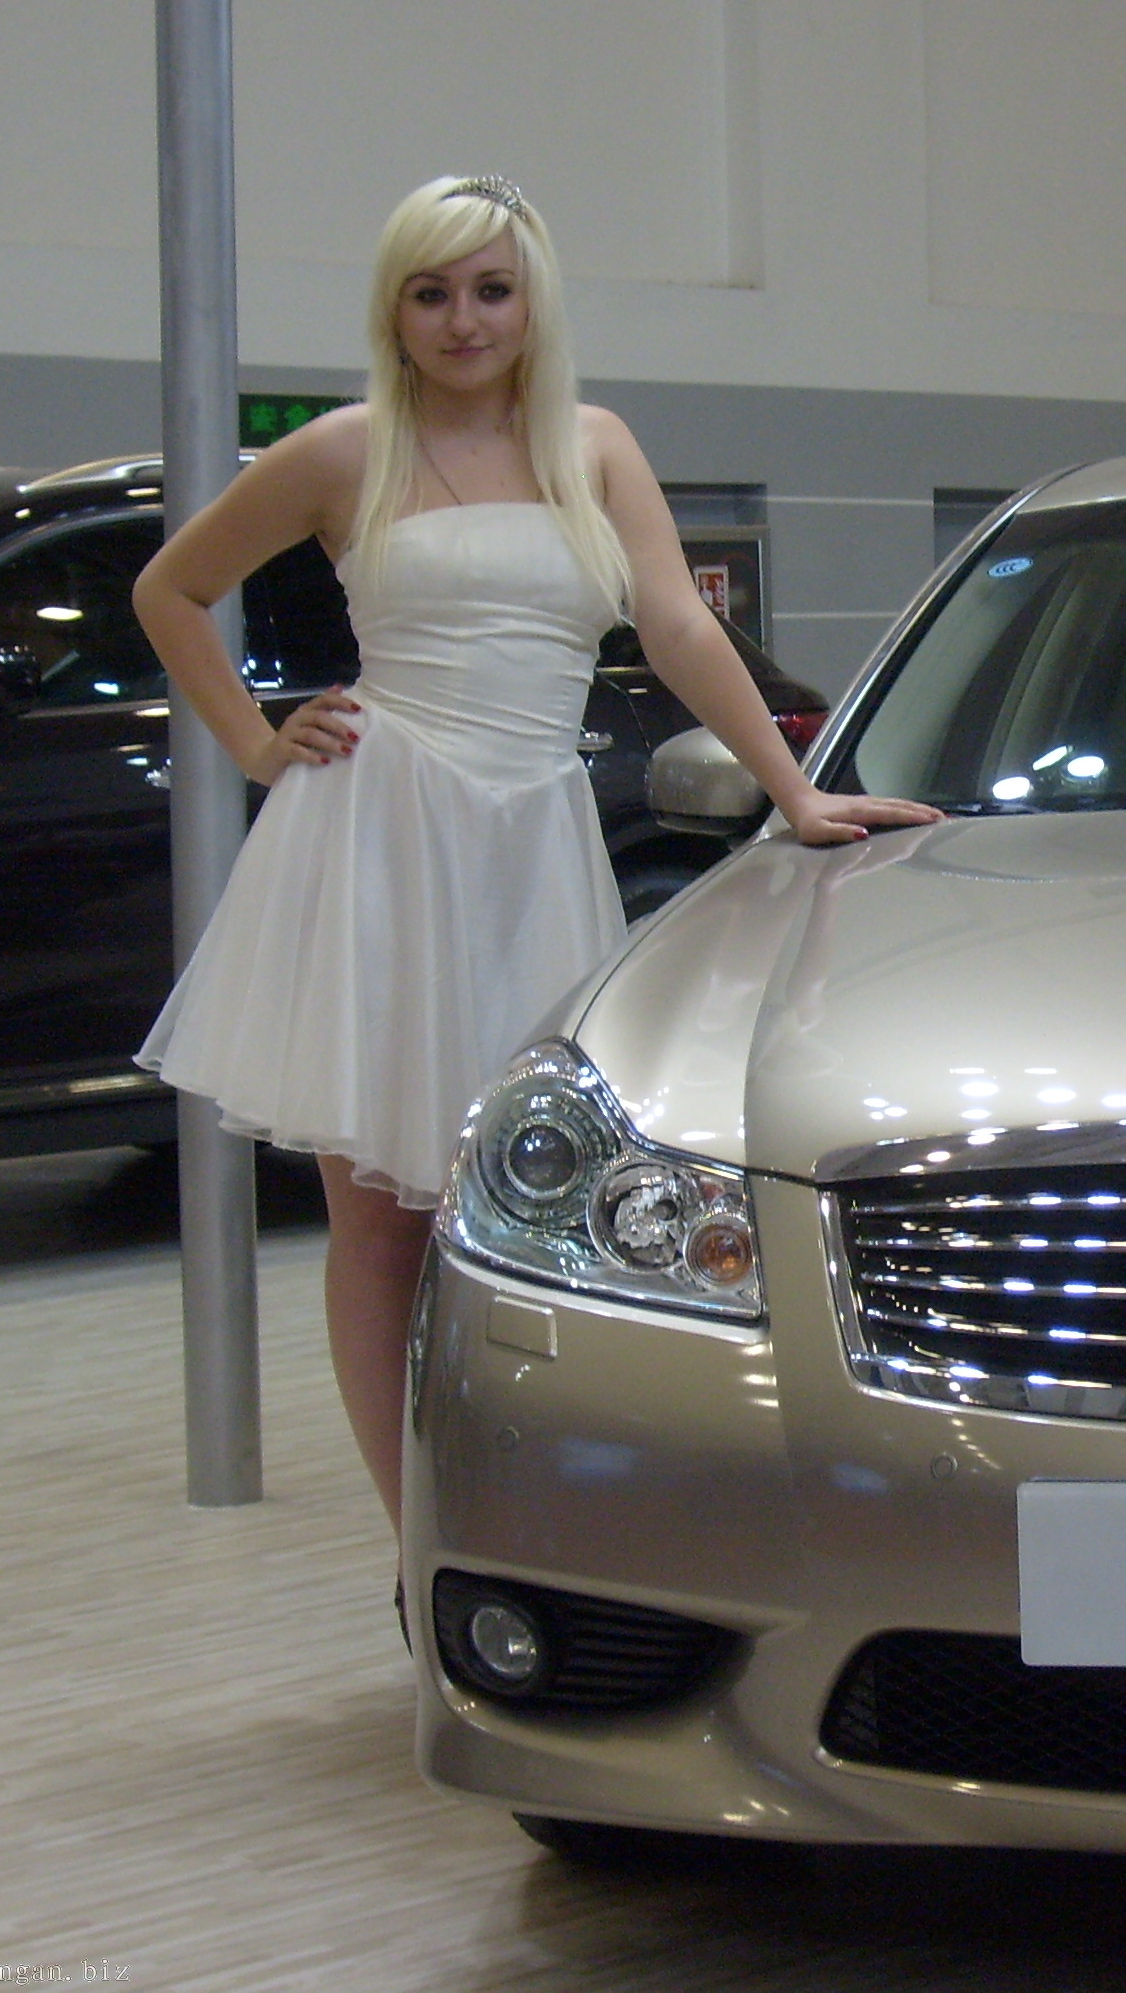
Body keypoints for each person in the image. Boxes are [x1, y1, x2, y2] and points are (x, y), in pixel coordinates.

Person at [133, 175, 937, 1537]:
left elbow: (677, 625)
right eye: (432, 292)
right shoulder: (342, 451)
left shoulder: (594, 446)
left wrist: (794, 790)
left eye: (491, 290)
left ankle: (540, 1514)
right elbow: (171, 589)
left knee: (537, 1205)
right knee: (379, 1221)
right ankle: (421, 1542)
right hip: (379, 838)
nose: (464, 320)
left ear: (533, 302)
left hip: (533, 845)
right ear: (394, 309)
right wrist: (258, 746)